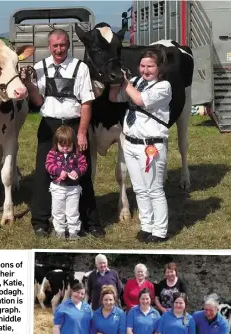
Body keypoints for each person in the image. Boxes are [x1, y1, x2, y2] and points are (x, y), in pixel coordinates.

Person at [22, 28, 105, 238]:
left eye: (62, 45)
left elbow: (86, 103)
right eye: (55, 45)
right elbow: (38, 101)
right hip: (49, 125)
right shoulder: (39, 68)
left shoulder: (80, 67)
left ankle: (90, 221)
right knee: (43, 172)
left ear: (68, 45)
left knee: (82, 173)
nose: (59, 49)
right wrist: (29, 86)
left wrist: (82, 133)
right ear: (49, 47)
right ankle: (41, 221)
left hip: (74, 124)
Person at [109, 48, 172, 243]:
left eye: (150, 66)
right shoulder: (135, 82)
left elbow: (139, 99)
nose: (145, 70)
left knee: (154, 189)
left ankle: (160, 230)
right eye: (142, 66)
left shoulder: (163, 86)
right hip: (130, 143)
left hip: (150, 146)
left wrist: (125, 82)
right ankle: (146, 226)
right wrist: (115, 79)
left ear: (159, 68)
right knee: (139, 188)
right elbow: (114, 98)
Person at [45, 125, 88, 240]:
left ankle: (73, 231)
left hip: (73, 189)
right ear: (56, 143)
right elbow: (48, 165)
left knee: (73, 211)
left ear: (73, 143)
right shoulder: (53, 153)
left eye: (68, 145)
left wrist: (77, 171)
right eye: (61, 145)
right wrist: (59, 171)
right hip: (58, 188)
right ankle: (59, 231)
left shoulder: (77, 154)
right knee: (58, 211)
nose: (65, 148)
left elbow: (84, 165)